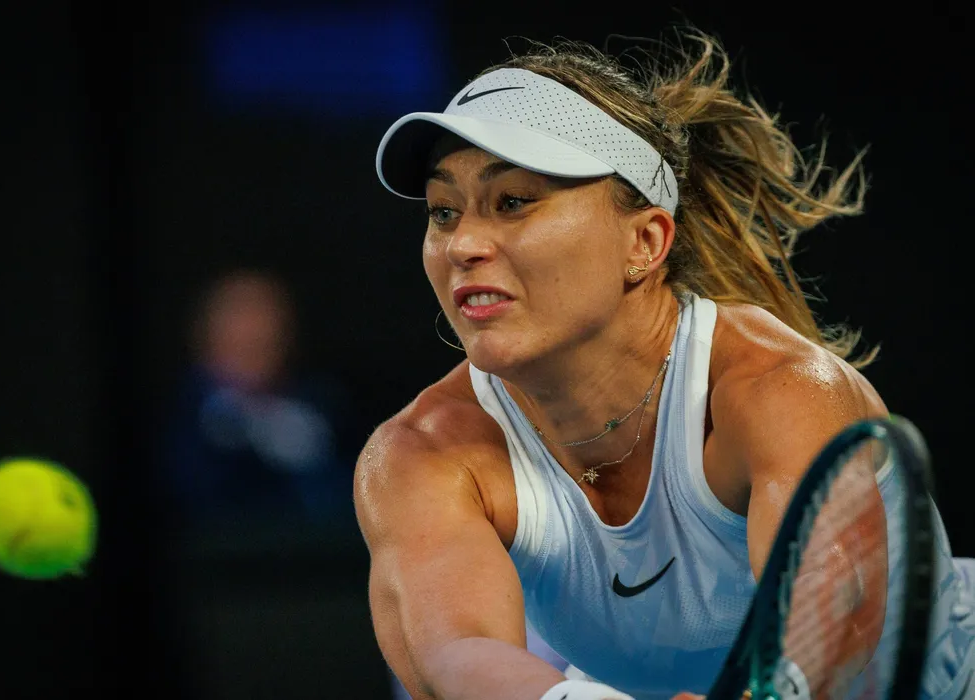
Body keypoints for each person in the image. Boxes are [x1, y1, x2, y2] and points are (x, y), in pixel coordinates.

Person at [354, 28, 975, 700]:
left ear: (645, 242)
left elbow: (833, 625)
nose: (462, 245)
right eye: (444, 212)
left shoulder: (782, 391)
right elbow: (453, 655)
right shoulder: (420, 455)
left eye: (513, 202)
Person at [160, 268, 353, 527]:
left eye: (266, 317)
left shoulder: (323, 408)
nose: (256, 331)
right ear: (205, 333)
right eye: (238, 315)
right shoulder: (175, 421)